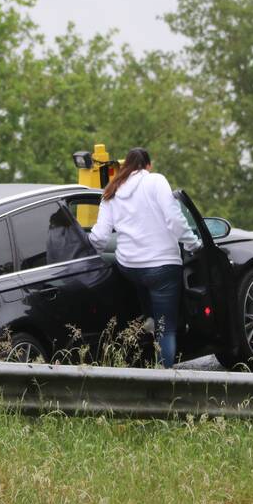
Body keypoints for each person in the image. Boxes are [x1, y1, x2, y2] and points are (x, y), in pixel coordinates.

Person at [88, 147, 201, 368]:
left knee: (144, 283)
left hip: (129, 266)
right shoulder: (156, 181)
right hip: (162, 267)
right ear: (147, 165)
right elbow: (174, 220)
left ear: (126, 166)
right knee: (166, 329)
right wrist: (193, 243)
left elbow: (100, 237)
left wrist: (86, 252)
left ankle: (147, 317)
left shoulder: (112, 190)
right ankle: (164, 379)